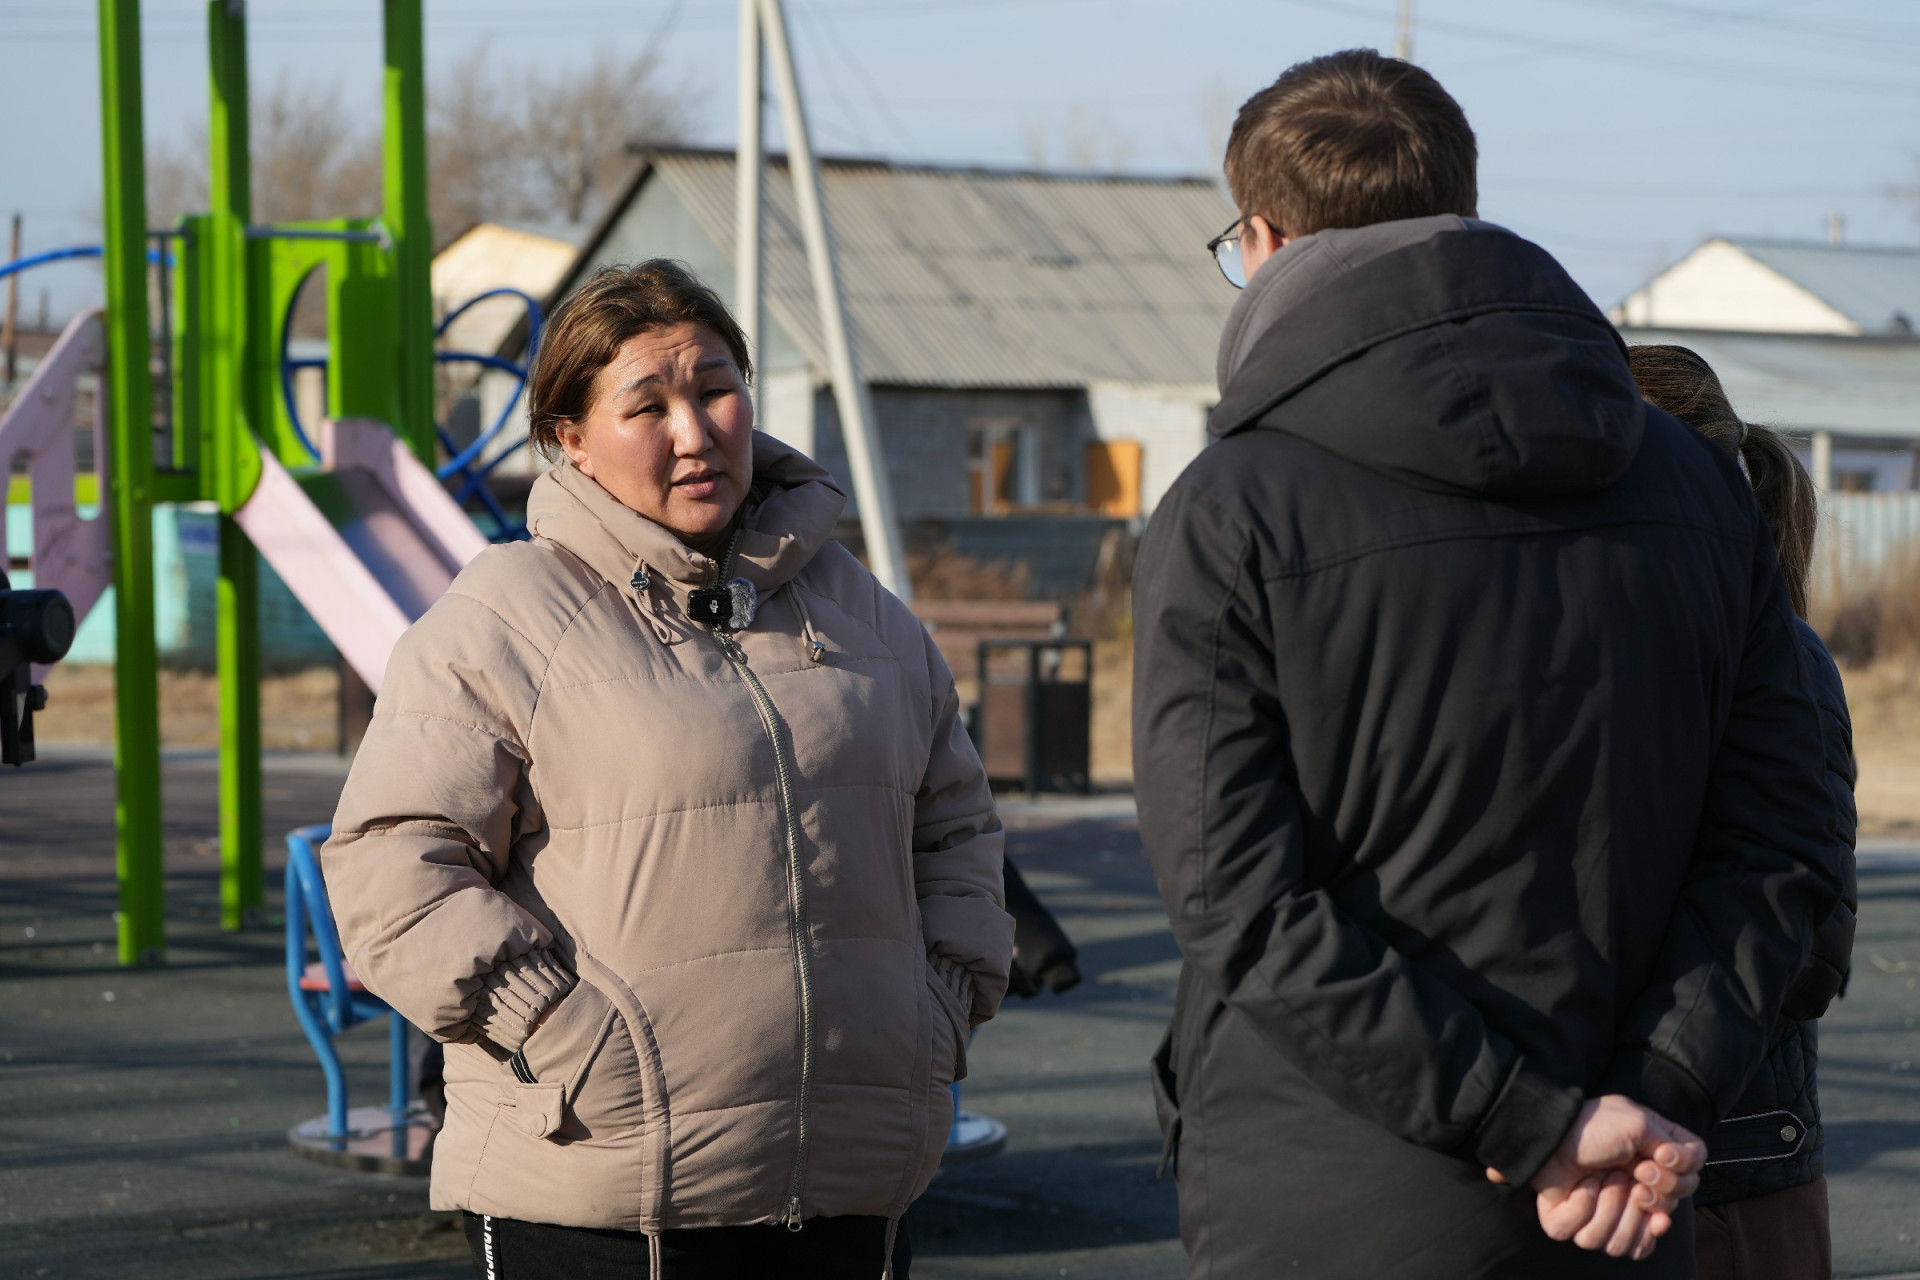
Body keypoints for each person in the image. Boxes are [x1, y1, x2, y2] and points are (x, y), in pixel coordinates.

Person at [1132, 49, 1846, 1278]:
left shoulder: (1232, 509)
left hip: (1333, 1197)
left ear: (1263, 237)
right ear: (1463, 207)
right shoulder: (1694, 484)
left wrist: (1533, 1121)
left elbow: (1237, 902)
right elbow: (1782, 840)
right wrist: (1650, 1090)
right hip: (1628, 1196)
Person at [323, 260, 1014, 1280]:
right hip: (602, 1202)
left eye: (716, 390)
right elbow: (392, 868)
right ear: (570, 438)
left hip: (850, 1192)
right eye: (647, 405)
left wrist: (937, 1007)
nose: (694, 432)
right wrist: (558, 1035)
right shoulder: (505, 618)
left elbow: (956, 829)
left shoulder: (860, 611)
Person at [1628, 344, 1858, 1280]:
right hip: (1626, 1163)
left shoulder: (1781, 661)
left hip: (1731, 1178)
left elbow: (1811, 952)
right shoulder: (1596, 645)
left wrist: (1651, 1072)